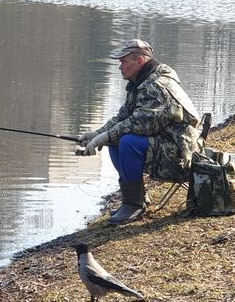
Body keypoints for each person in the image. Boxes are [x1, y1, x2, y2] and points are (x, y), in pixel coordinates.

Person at [76, 38, 204, 225]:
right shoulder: (141, 81)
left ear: (140, 61)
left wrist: (104, 137)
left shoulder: (156, 86)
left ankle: (134, 204)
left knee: (127, 141)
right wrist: (97, 134)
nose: (120, 67)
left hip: (180, 154)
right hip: (165, 143)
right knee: (116, 139)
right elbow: (123, 117)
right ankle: (135, 200)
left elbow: (142, 125)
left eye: (124, 62)